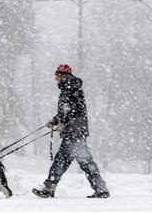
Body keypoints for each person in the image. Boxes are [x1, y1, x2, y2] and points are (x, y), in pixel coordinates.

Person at [32, 64, 110, 199]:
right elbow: (67, 111)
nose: (56, 78)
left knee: (64, 160)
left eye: (57, 75)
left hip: (74, 131)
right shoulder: (69, 87)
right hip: (75, 130)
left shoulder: (70, 87)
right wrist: (56, 120)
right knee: (81, 161)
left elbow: (72, 109)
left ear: (63, 75)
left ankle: (49, 187)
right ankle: (100, 188)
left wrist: (63, 121)